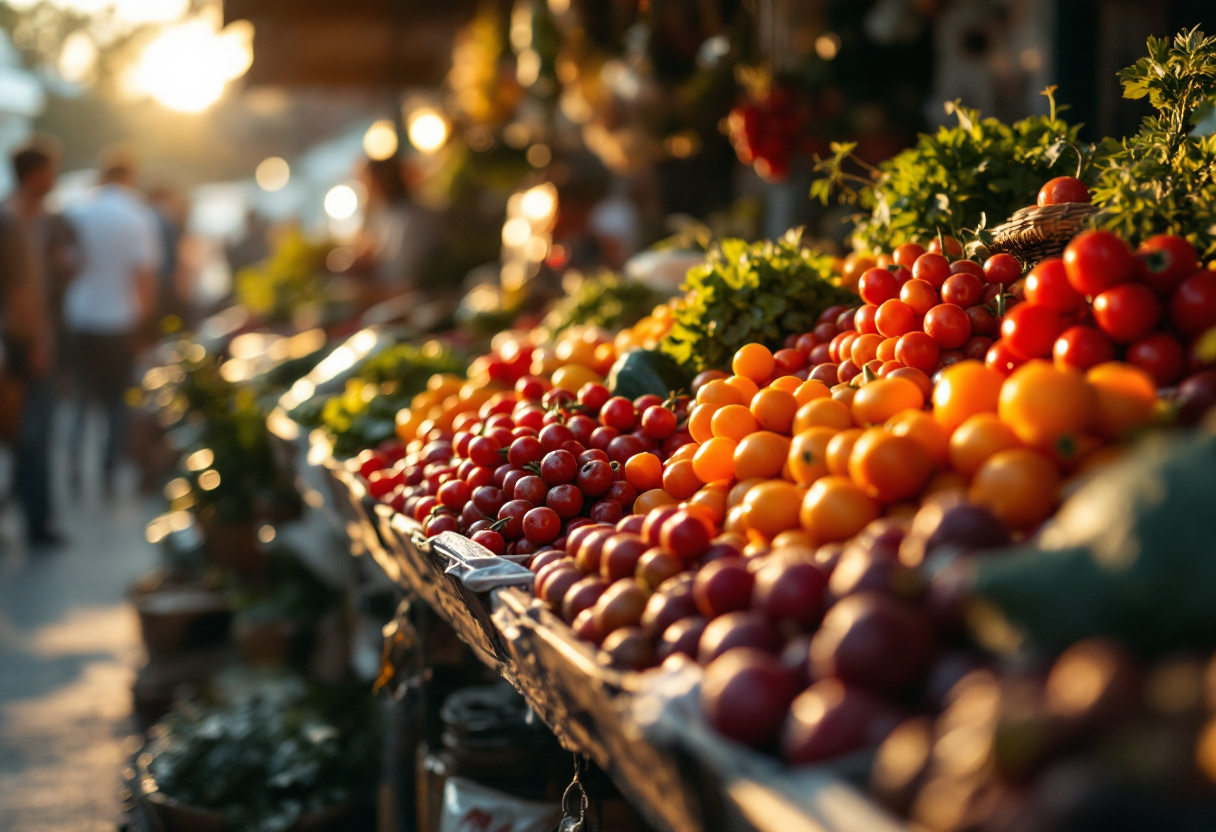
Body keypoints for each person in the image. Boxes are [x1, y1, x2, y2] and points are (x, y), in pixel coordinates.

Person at [64, 145, 160, 496]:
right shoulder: (137, 214)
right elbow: (144, 276)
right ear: (130, 176)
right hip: (120, 319)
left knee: (82, 396)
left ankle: (74, 457)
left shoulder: (79, 211)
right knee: (118, 400)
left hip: (81, 315)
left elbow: (67, 264)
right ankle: (107, 468)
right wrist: (144, 324)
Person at [0, 136, 68, 545]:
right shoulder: (13, 220)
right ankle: (36, 520)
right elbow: (21, 293)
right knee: (31, 432)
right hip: (20, 342)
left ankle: (30, 514)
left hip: (20, 339)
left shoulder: (33, 218)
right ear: (38, 173)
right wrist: (39, 341)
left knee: (26, 433)